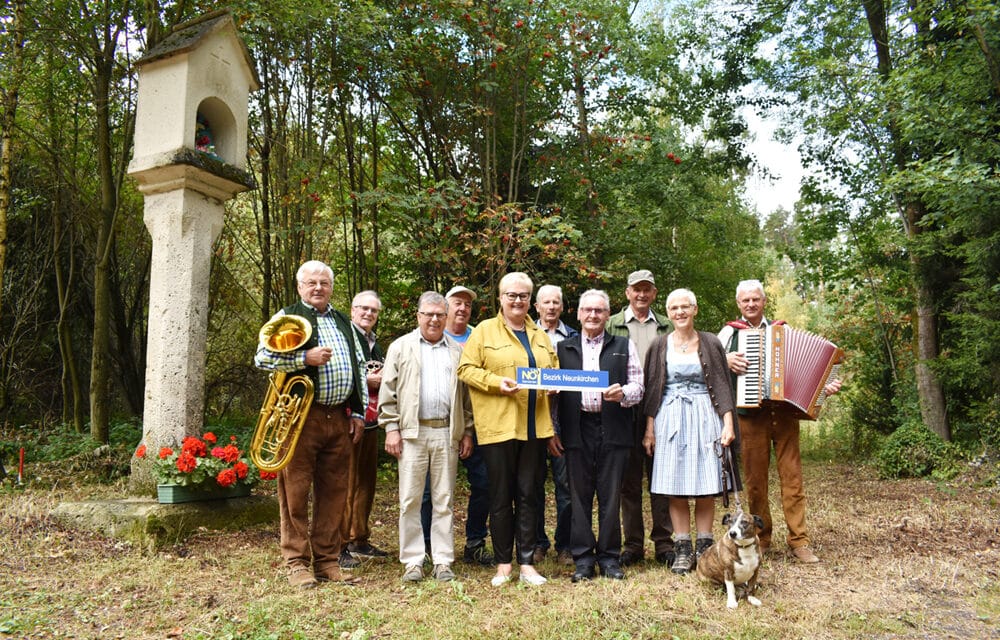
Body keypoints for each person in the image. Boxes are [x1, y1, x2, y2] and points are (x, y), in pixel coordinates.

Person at [254, 260, 367, 589]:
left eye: (324, 283)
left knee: (334, 493)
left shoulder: (345, 321)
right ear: (300, 286)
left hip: (339, 419)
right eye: (311, 283)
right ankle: (297, 563)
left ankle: (328, 561)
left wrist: (359, 413)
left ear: (332, 287)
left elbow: (359, 368)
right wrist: (304, 359)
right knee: (295, 492)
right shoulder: (287, 316)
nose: (318, 288)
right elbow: (261, 358)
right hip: (302, 418)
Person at [717, 279, 841, 564]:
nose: (751, 304)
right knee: (756, 482)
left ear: (763, 302)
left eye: (755, 299)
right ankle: (763, 539)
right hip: (750, 417)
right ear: (739, 304)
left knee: (793, 479)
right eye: (745, 300)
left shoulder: (781, 331)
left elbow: (814, 368)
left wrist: (827, 385)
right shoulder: (728, 333)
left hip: (784, 414)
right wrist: (726, 360)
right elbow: (708, 361)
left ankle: (799, 541)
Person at [457, 272, 558, 587]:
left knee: (529, 495)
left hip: (534, 428)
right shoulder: (485, 331)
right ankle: (503, 564)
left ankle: (526, 563)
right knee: (500, 497)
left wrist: (552, 384)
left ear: (530, 300)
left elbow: (552, 368)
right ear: (500, 298)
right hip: (499, 428)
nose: (518, 300)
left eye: (524, 296)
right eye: (512, 295)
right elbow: (466, 369)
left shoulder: (539, 333)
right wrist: (495, 382)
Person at [642, 288, 738, 574]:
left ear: (695, 310)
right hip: (669, 419)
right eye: (674, 308)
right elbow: (651, 391)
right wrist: (649, 428)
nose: (680, 312)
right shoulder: (659, 344)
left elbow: (722, 384)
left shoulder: (710, 342)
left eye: (685, 307)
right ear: (668, 313)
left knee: (706, 485)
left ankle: (705, 547)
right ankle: (682, 547)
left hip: (705, 416)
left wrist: (728, 423)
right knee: (675, 486)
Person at [380, 291, 475, 583]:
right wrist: (391, 428)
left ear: (446, 318)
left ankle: (443, 560)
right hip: (412, 433)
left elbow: (466, 397)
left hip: (447, 432)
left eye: (439, 315)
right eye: (428, 314)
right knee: (410, 499)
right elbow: (388, 391)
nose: (434, 319)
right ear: (418, 316)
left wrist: (467, 431)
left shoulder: (458, 351)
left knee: (444, 499)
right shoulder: (401, 347)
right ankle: (413, 560)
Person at [555, 290, 644, 582]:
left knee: (610, 495)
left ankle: (609, 558)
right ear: (578, 314)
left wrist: (623, 393)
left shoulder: (623, 345)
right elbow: (553, 396)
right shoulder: (563, 348)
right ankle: (583, 559)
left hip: (613, 427)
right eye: (588, 310)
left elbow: (638, 386)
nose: (593, 315)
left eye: (599, 310)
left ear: (608, 315)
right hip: (576, 428)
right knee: (578, 495)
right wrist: (553, 431)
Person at [420, 285, 495, 566]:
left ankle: (474, 543)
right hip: (439, 426)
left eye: (467, 304)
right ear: (444, 307)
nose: (462, 308)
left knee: (484, 484)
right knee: (431, 490)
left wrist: (470, 430)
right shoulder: (432, 337)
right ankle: (428, 545)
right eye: (457, 303)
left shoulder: (480, 337)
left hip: (478, 424)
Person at [605, 269, 673, 566]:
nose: (642, 294)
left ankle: (664, 543)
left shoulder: (668, 326)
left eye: (647, 289)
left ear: (654, 294)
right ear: (627, 293)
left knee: (661, 479)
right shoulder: (612, 324)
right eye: (637, 289)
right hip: (623, 410)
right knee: (628, 482)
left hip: (662, 409)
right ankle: (632, 545)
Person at [339, 291, 389, 570]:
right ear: (353, 310)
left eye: (373, 311)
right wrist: (366, 379)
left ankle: (359, 537)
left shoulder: (374, 344)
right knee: (346, 482)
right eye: (363, 309)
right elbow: (345, 372)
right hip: (349, 418)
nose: (368, 314)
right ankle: (340, 543)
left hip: (372, 421)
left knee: (366, 482)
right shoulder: (346, 335)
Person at [532, 284, 577, 566]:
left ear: (562, 307)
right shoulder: (524, 335)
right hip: (532, 422)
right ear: (536, 307)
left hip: (566, 422)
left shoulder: (574, 336)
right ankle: (536, 543)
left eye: (555, 302)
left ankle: (566, 545)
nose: (550, 307)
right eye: (545, 302)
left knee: (567, 489)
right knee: (531, 486)